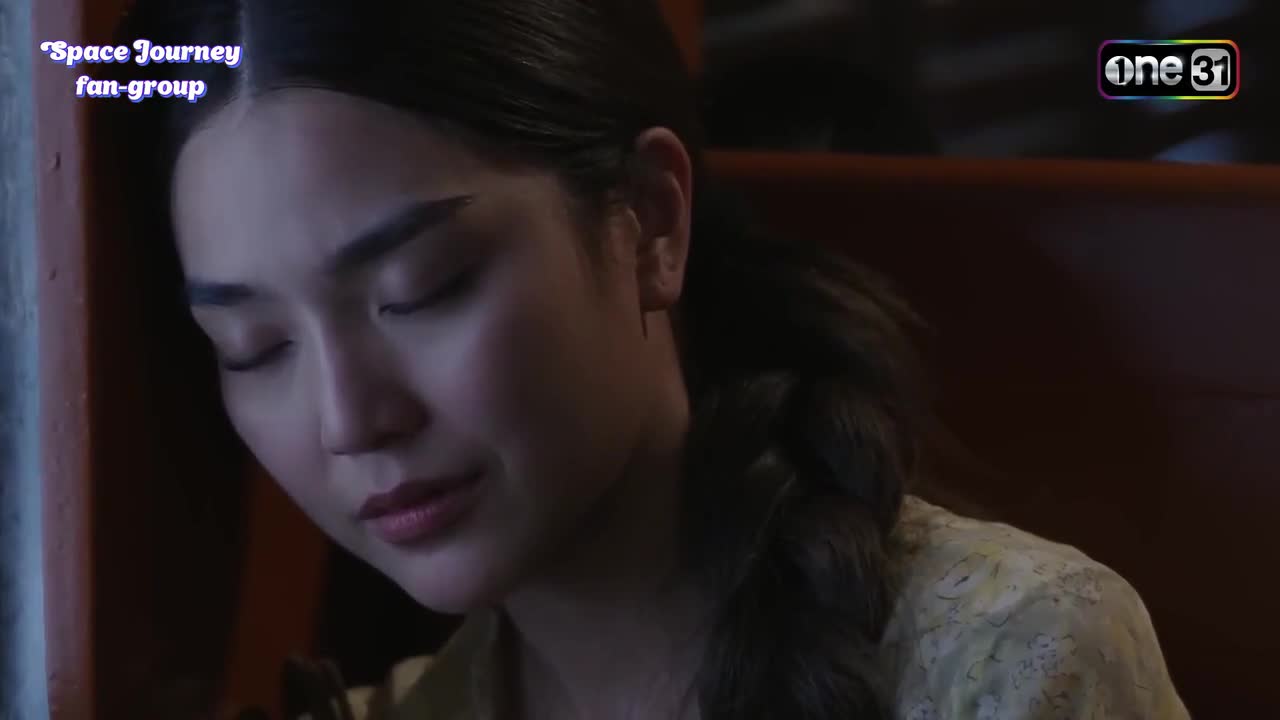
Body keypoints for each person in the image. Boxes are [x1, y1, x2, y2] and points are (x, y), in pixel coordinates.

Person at [107, 1, 1189, 718]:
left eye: (421, 289)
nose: (349, 419)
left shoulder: (1008, 664)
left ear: (649, 220)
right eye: (254, 347)